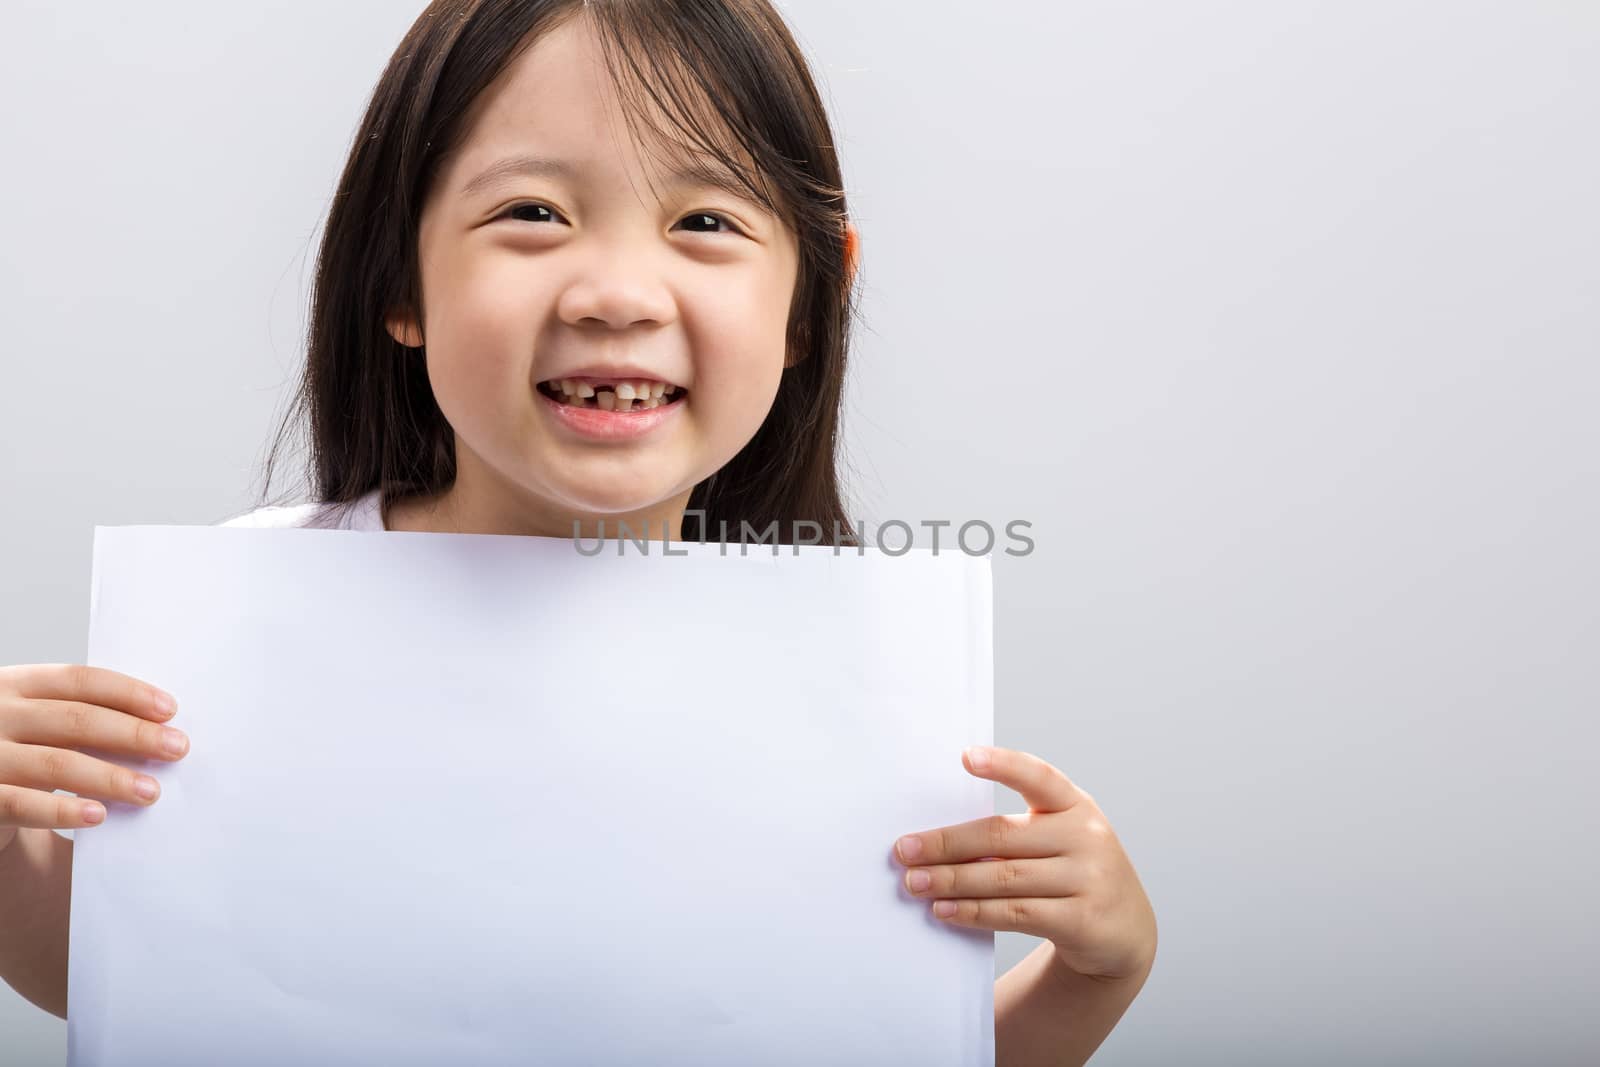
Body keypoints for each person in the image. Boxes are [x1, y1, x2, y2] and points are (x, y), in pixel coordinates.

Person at [0, 2, 1156, 1061]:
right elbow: (122, 981)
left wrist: (1095, 970)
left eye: (704, 218)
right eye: (532, 214)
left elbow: (877, 1038)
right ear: (397, 277)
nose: (617, 291)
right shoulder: (242, 613)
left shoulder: (860, 694)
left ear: (813, 301)